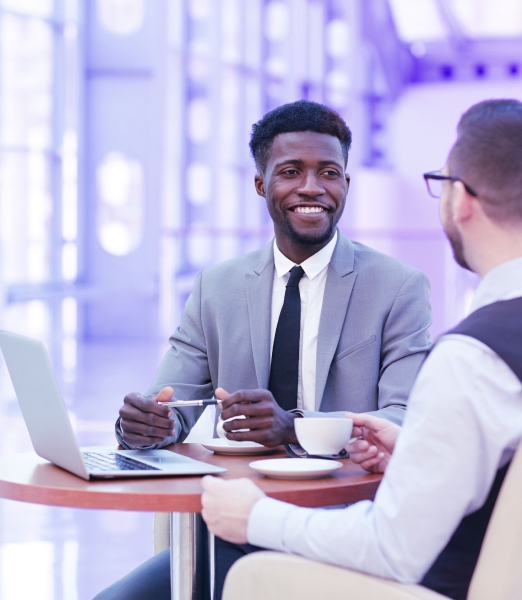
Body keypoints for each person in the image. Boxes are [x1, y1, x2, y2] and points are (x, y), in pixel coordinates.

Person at [201, 98, 522, 600]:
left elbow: (392, 549)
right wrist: (416, 452)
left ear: (462, 202)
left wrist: (254, 515)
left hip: (439, 586)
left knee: (229, 565)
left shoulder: (474, 358)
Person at [95, 100, 432, 600]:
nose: (312, 187)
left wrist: (295, 425)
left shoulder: (398, 287)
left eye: (329, 173)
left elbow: (406, 419)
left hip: (347, 529)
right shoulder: (218, 287)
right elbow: (171, 400)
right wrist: (146, 425)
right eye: (291, 172)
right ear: (260, 184)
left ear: (345, 185)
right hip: (234, 525)